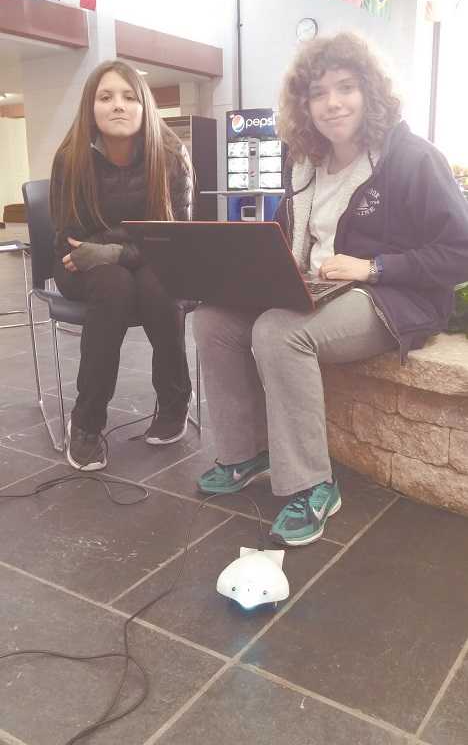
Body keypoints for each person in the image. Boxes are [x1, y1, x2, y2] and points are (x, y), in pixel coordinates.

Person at [193, 32, 468, 547]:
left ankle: (311, 484)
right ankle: (245, 452)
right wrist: (252, 272)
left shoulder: (411, 158)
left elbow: (460, 250)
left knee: (278, 332)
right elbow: (284, 238)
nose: (332, 103)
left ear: (371, 92)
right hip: (314, 289)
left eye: (346, 87)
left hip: (390, 297)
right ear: (305, 104)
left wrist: (375, 268)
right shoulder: (305, 164)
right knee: (209, 320)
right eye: (319, 92)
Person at [50, 60, 194, 472]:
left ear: (145, 105)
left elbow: (177, 241)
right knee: (114, 286)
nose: (119, 105)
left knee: (156, 285)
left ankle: (173, 401)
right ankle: (87, 422)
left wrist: (113, 249)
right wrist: (126, 247)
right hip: (83, 266)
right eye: (106, 97)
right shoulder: (70, 158)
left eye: (130, 97)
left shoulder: (170, 154)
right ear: (90, 107)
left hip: (152, 264)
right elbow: (72, 243)